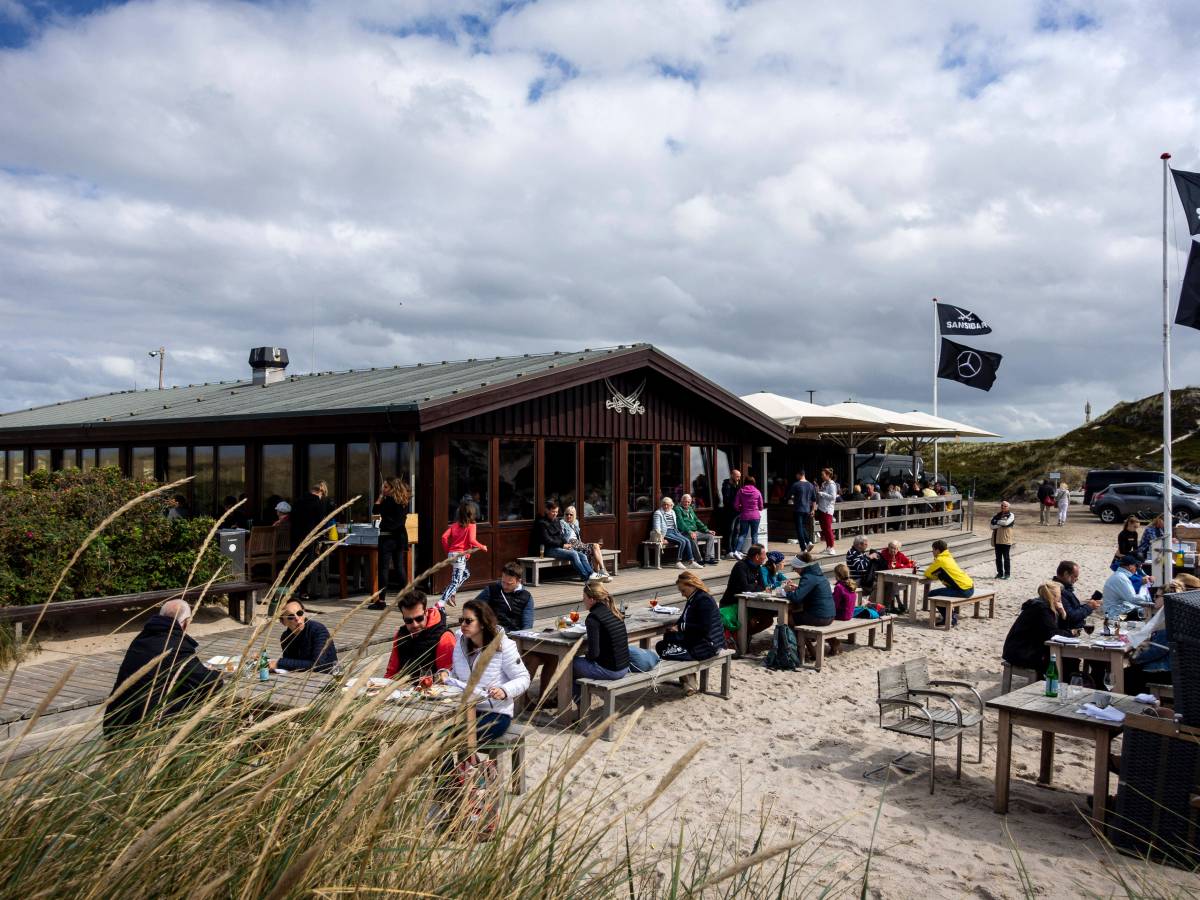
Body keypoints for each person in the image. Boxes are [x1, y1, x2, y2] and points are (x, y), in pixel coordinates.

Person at [103, 599, 221, 737]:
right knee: (203, 695)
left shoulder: (141, 638)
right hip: (145, 727)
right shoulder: (176, 646)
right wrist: (218, 674)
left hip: (115, 723)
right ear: (186, 622)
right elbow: (208, 683)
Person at [445, 600, 530, 743]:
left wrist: (504, 690)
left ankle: (467, 764)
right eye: (461, 620)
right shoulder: (460, 642)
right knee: (437, 734)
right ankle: (460, 765)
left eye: (468, 621)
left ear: (483, 623)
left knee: (455, 736)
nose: (463, 624)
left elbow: (524, 678)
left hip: (495, 712)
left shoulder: (504, 645)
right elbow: (456, 673)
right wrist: (446, 675)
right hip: (464, 709)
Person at [572, 580, 631, 698]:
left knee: (569, 664)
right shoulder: (615, 612)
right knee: (580, 663)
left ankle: (579, 705)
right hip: (624, 667)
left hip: (612, 671)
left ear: (592, 599)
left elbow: (594, 654)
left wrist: (586, 654)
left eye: (584, 598)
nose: (583, 601)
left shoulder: (593, 618)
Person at [656, 571, 724, 670]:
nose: (682, 594)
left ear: (691, 585)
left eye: (683, 591)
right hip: (702, 641)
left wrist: (680, 627)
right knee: (668, 639)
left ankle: (688, 681)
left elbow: (704, 628)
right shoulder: (695, 597)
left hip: (708, 646)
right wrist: (676, 627)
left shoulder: (704, 600)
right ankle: (688, 681)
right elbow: (684, 618)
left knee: (661, 648)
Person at [1001, 582, 1072, 675]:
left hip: (1017, 650)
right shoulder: (1041, 609)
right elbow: (1052, 634)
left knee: (1066, 659)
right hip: (1022, 652)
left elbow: (1053, 630)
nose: (1061, 598)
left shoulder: (1040, 605)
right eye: (1059, 595)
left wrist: (1063, 614)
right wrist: (1070, 633)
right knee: (1065, 660)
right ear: (1054, 597)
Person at [385, 590, 455, 679]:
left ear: (426, 612)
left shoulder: (445, 637)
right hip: (402, 689)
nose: (415, 625)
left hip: (432, 690)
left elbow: (447, 678)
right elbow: (391, 673)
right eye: (408, 621)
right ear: (403, 618)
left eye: (419, 618)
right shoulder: (400, 635)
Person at [371, 476, 411, 610]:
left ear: (393, 488)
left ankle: (381, 600)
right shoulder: (404, 501)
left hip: (387, 538)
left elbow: (374, 511)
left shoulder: (388, 501)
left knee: (383, 569)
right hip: (399, 538)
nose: (383, 489)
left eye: (386, 487)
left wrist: (380, 497)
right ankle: (408, 598)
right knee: (399, 568)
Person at [533, 500, 596, 581]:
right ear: (547, 510)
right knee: (573, 554)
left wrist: (567, 544)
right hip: (549, 549)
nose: (555, 514)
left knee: (582, 555)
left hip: (559, 547)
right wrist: (562, 545)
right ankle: (585, 577)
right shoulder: (541, 523)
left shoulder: (556, 521)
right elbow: (547, 540)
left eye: (556, 512)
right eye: (553, 512)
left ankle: (592, 574)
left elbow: (561, 536)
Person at [441, 500, 488, 607]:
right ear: (472, 513)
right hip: (460, 556)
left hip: (452, 554)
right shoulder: (471, 525)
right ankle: (441, 603)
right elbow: (472, 540)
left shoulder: (454, 525)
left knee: (466, 574)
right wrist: (482, 546)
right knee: (455, 581)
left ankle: (451, 591)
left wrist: (448, 550)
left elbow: (444, 537)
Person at [271, 600, 338, 673]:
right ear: (283, 622)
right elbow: (290, 664)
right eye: (290, 617)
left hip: (330, 677)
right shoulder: (285, 637)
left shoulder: (318, 630)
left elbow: (318, 665)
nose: (297, 618)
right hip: (302, 678)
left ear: (304, 613)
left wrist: (280, 663)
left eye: (299, 613)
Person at [719, 543, 771, 635]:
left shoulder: (758, 567)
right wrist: (755, 585)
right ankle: (740, 639)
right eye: (764, 555)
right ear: (757, 556)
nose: (765, 557)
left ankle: (744, 636)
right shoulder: (740, 566)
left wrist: (753, 585)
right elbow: (745, 588)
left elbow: (762, 586)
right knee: (751, 621)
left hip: (750, 604)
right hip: (732, 604)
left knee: (768, 620)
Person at [290, 481, 330, 600]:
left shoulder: (298, 501)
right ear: (321, 492)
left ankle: (290, 589)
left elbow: (292, 518)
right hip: (309, 537)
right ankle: (304, 592)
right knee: (306, 565)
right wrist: (322, 536)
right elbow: (321, 522)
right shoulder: (318, 503)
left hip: (295, 536)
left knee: (294, 563)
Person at [923, 539, 974, 627]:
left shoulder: (940, 560)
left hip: (962, 590)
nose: (932, 552)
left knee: (932, 594)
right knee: (939, 593)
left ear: (937, 550)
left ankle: (950, 618)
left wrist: (935, 574)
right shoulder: (948, 557)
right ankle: (950, 615)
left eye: (933, 550)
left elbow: (927, 573)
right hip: (969, 586)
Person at [475, 561, 535, 633]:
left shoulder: (526, 597)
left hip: (514, 634)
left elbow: (527, 624)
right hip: (492, 632)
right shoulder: (491, 590)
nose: (505, 586)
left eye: (509, 584)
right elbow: (474, 606)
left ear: (518, 581)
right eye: (503, 582)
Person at [560, 505, 612, 579]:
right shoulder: (562, 523)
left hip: (578, 543)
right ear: (564, 514)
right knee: (595, 547)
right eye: (567, 514)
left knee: (595, 548)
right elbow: (561, 536)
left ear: (574, 515)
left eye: (571, 515)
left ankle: (600, 573)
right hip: (570, 544)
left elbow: (578, 537)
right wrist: (564, 545)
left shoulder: (575, 523)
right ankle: (602, 572)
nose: (568, 516)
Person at [785, 553, 835, 627]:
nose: (795, 571)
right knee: (799, 612)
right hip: (830, 615)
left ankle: (794, 638)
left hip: (819, 617)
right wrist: (799, 588)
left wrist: (787, 591)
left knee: (786, 617)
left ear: (800, 567)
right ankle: (804, 637)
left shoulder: (807, 577)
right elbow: (813, 590)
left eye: (794, 568)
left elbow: (796, 598)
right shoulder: (818, 574)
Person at [652, 496, 700, 569]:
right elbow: (657, 527)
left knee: (687, 540)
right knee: (682, 541)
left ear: (671, 505)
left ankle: (691, 562)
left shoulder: (672, 512)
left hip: (674, 531)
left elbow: (675, 525)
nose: (666, 506)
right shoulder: (658, 513)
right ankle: (678, 562)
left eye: (668, 504)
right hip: (665, 533)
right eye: (664, 504)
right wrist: (660, 537)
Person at [1053, 560, 1101, 629]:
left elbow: (1073, 609)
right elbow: (1071, 616)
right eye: (1075, 576)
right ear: (1066, 574)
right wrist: (1089, 607)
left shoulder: (1064, 589)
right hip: (1068, 632)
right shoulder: (1058, 591)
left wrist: (1087, 605)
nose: (1077, 579)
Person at [675, 493, 719, 564]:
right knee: (693, 538)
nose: (686, 503)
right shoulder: (677, 509)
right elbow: (681, 523)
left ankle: (708, 558)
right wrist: (690, 532)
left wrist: (707, 530)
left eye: (688, 502)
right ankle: (699, 559)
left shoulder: (690, 509)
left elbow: (697, 520)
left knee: (710, 536)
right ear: (681, 500)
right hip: (684, 532)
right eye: (685, 501)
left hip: (694, 531)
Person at [1102, 555, 1148, 620]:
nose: (1136, 569)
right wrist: (1148, 598)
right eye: (1136, 566)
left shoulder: (1119, 575)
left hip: (1117, 610)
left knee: (1144, 611)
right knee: (1147, 614)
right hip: (1115, 614)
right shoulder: (1120, 578)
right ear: (1130, 567)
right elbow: (1132, 598)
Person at [784, 470, 818, 550]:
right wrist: (813, 510)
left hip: (798, 509)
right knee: (802, 527)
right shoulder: (811, 485)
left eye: (796, 475)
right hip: (807, 509)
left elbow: (788, 495)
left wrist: (792, 498)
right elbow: (814, 499)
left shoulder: (796, 484)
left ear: (800, 474)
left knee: (799, 528)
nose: (796, 477)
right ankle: (808, 542)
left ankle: (803, 547)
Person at [732, 476, 764, 557]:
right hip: (755, 516)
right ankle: (755, 554)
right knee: (754, 535)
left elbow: (735, 505)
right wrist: (758, 508)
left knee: (742, 534)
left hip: (744, 515)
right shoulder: (757, 492)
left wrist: (741, 509)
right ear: (754, 482)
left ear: (745, 482)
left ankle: (736, 551)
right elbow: (761, 506)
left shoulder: (741, 491)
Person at [990, 500, 1015, 580]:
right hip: (997, 539)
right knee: (998, 558)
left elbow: (1006, 523)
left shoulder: (1011, 515)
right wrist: (1000, 523)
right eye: (1002, 506)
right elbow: (991, 526)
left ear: (1008, 507)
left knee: (1006, 557)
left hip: (1006, 539)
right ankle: (1000, 573)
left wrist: (997, 523)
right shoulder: (997, 515)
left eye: (1005, 506)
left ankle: (1007, 574)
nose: (1003, 507)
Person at [817, 468, 839, 556]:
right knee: (824, 529)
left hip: (827, 509)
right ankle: (828, 547)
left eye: (823, 474)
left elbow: (833, 497)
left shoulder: (832, 485)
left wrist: (822, 493)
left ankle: (832, 547)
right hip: (821, 508)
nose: (821, 476)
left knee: (828, 529)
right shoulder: (823, 484)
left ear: (828, 475)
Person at [720, 468, 742, 553]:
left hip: (737, 511)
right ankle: (729, 550)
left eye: (739, 477)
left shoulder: (737, 485)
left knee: (736, 530)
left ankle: (734, 549)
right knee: (730, 530)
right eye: (737, 476)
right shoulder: (727, 485)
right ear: (732, 475)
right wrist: (736, 505)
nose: (738, 478)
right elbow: (727, 499)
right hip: (730, 512)